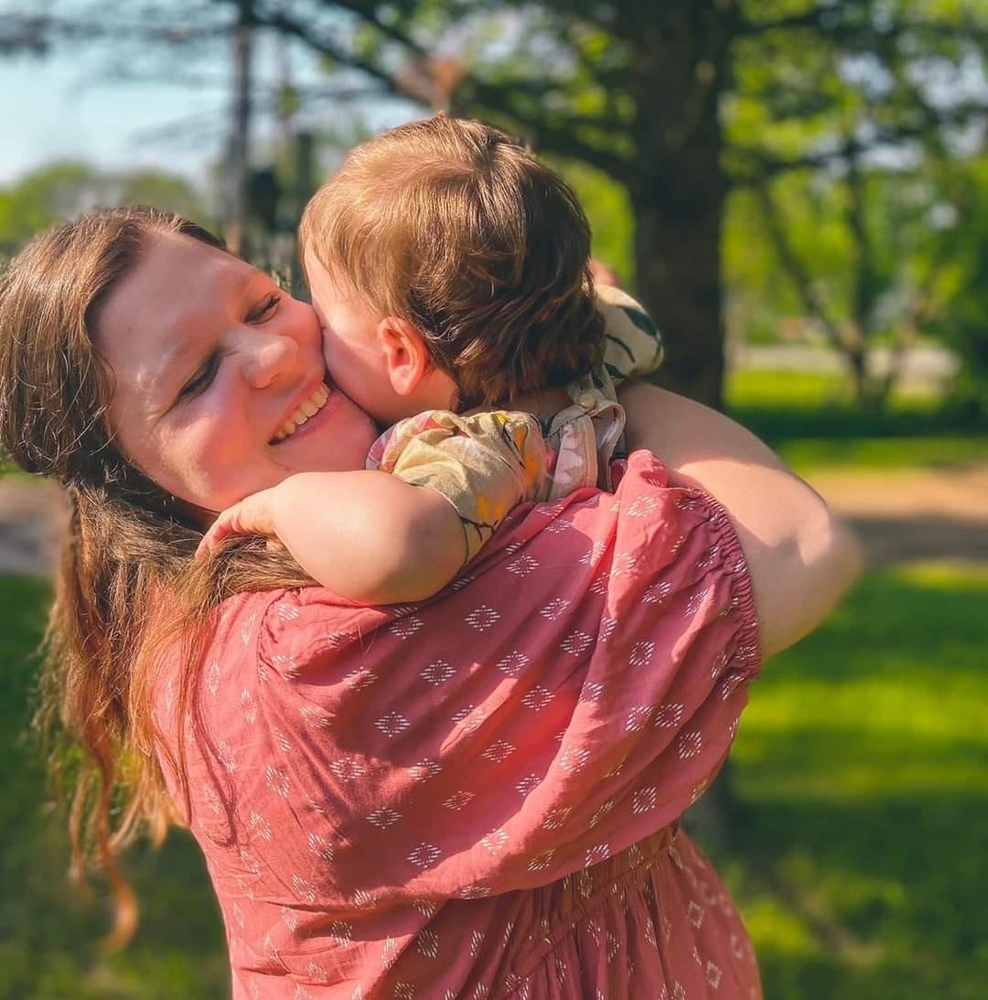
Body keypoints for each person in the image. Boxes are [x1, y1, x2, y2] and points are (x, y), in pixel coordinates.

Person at [0, 204, 860, 999]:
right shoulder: (322, 657)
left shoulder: (261, 573)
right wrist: (573, 374)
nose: (270, 356)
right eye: (194, 381)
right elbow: (794, 548)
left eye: (262, 305)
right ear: (131, 481)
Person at [199, 114, 665, 607]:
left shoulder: (478, 450)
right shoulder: (597, 352)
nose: (313, 329)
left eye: (327, 321)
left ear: (401, 354)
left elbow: (399, 549)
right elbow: (635, 325)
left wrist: (279, 505)